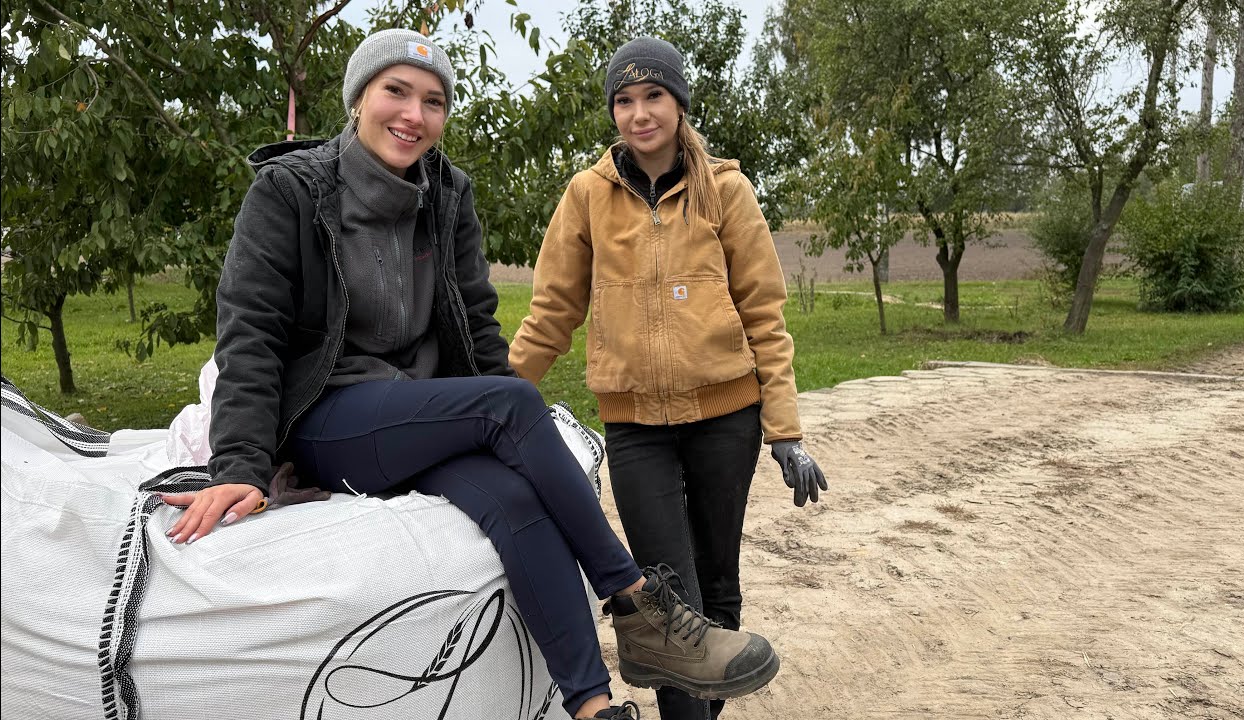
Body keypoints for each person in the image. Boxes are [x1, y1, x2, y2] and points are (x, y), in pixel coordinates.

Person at [159, 29, 779, 720]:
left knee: (517, 502)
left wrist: (511, 438)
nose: (412, 115)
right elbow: (251, 332)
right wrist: (239, 465)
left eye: (433, 101)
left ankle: (593, 707)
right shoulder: (290, 191)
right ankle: (636, 603)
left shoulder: (446, 193)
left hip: (417, 413)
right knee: (513, 405)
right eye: (395, 91)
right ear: (359, 96)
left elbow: (477, 325)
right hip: (328, 416)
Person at [508, 37, 828, 720]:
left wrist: (786, 432)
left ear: (679, 104)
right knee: (665, 601)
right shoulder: (587, 196)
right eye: (624, 100)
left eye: (653, 96)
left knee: (717, 583)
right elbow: (550, 314)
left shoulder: (727, 191)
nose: (638, 113)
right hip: (635, 428)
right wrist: (493, 401)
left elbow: (765, 316)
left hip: (726, 419)